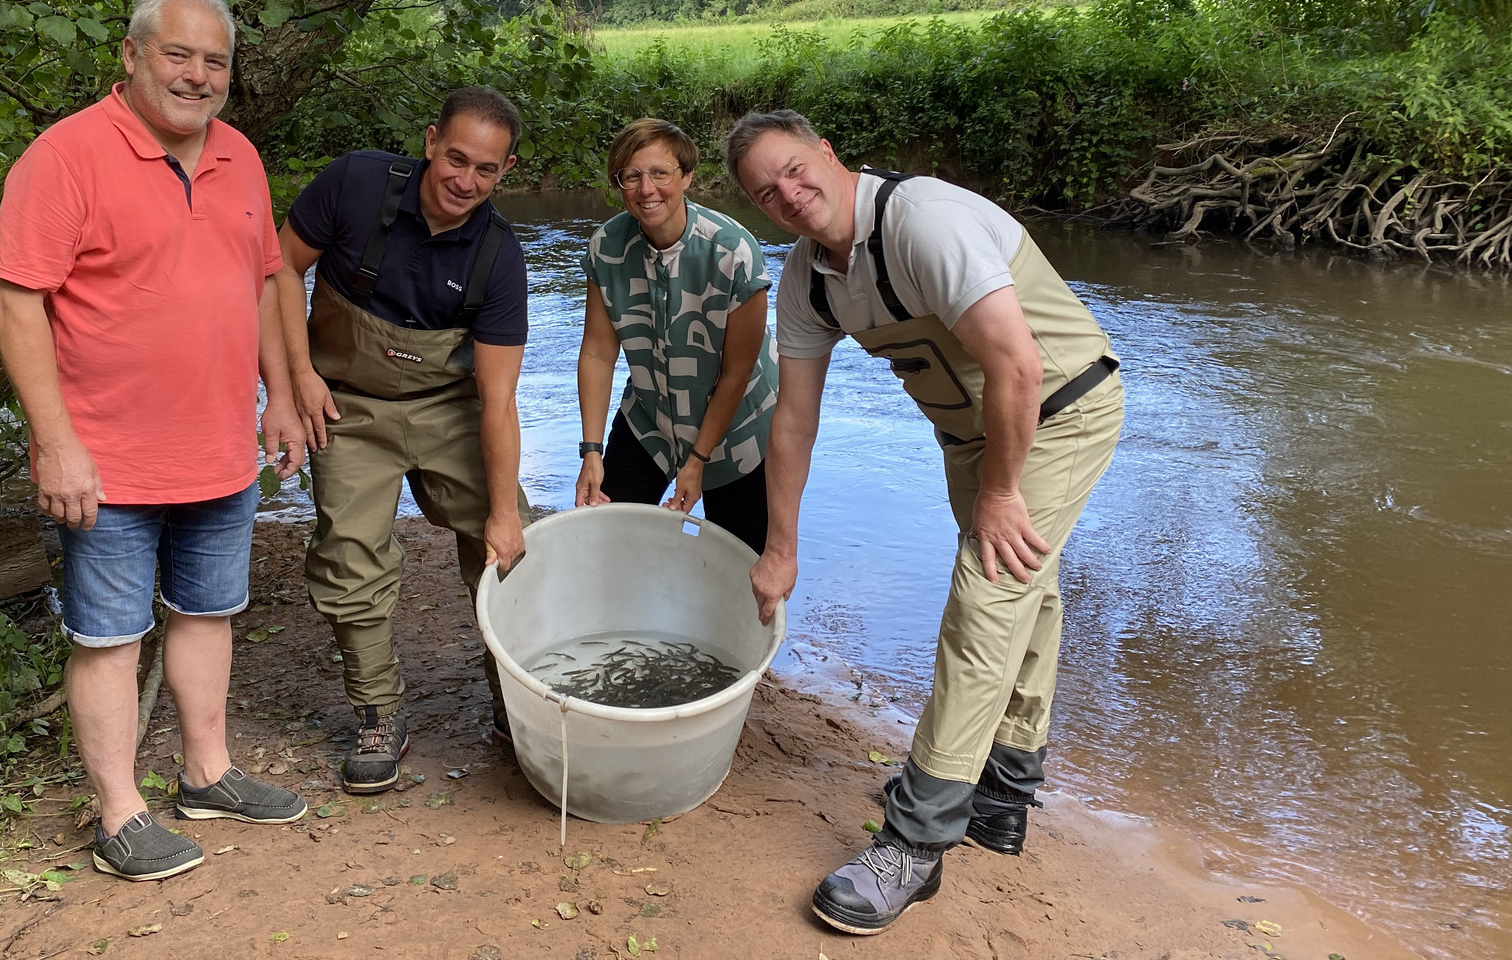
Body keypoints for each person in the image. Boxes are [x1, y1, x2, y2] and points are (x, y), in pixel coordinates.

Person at [726, 109, 1123, 937]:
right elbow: (793, 421)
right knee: (1025, 593)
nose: (792, 195)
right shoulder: (807, 279)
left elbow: (1015, 360)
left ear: (828, 153)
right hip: (972, 434)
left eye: (798, 170)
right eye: (768, 191)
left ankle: (914, 842)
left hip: (1056, 411)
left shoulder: (922, 223)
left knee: (987, 600)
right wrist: (780, 548)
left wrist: (1002, 493)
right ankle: (1002, 795)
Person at [0, 0, 311, 883]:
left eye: (215, 62)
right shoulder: (66, 157)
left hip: (218, 450)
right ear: (130, 57)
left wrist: (278, 396)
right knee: (109, 635)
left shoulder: (241, 157)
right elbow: (13, 302)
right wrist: (54, 444)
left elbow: (261, 286)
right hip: (106, 460)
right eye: (179, 55)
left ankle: (206, 772)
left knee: (210, 613)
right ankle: (118, 813)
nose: (198, 76)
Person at [275, 87, 532, 795]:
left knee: (513, 547)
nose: (465, 181)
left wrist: (503, 511)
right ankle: (380, 712)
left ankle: (520, 703)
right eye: (456, 159)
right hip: (346, 404)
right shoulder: (355, 183)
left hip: (452, 409)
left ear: (504, 172)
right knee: (349, 557)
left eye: (485, 170)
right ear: (429, 141)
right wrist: (296, 380)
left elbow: (499, 399)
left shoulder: (501, 256)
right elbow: (276, 267)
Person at [574, 118, 778, 554]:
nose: (647, 189)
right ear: (619, 185)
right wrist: (591, 450)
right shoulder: (605, 247)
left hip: (737, 431)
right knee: (612, 539)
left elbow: (737, 372)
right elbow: (596, 352)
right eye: (632, 176)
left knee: (741, 560)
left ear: (686, 176)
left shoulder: (733, 251)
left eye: (660, 173)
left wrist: (697, 461)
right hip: (649, 416)